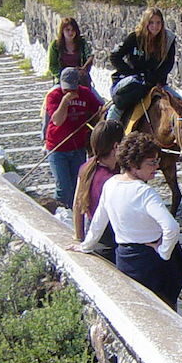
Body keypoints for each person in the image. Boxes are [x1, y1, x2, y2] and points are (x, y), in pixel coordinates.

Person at [73, 132, 182, 308]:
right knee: (163, 308)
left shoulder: (110, 184)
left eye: (157, 161)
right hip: (153, 262)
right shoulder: (144, 193)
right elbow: (171, 227)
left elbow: (98, 222)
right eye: (151, 163)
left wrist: (86, 246)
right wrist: (163, 251)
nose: (156, 167)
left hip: (125, 258)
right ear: (134, 164)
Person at [45, 67, 102, 209]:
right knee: (63, 188)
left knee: (78, 186)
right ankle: (59, 213)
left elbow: (98, 110)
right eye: (66, 88)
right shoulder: (54, 96)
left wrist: (100, 113)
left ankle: (74, 214)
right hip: (57, 148)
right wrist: (65, 101)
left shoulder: (85, 93)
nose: (70, 92)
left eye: (72, 88)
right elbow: (57, 120)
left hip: (77, 147)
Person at [106, 7, 177, 123]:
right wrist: (132, 73)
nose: (155, 26)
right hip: (134, 81)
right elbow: (115, 57)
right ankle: (108, 132)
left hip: (156, 82)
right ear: (145, 23)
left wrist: (155, 78)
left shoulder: (168, 40)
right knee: (119, 107)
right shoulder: (134, 37)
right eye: (151, 22)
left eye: (158, 22)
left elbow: (169, 64)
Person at [72, 120, 125, 262]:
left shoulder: (86, 166)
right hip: (111, 245)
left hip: (94, 238)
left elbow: (77, 205)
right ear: (116, 146)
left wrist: (79, 237)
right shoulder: (112, 180)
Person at [47, 17, 93, 85]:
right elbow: (52, 66)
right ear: (62, 31)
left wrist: (84, 69)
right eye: (67, 30)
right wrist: (64, 76)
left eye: (73, 30)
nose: (70, 32)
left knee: (95, 96)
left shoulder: (82, 43)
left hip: (81, 80)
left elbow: (89, 57)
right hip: (61, 81)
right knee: (51, 95)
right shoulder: (55, 45)